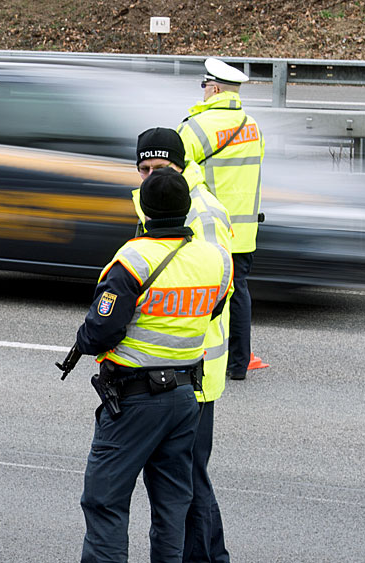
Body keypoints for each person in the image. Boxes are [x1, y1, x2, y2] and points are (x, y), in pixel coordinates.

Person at [75, 167, 233, 562]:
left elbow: (100, 330)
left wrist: (84, 340)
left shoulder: (134, 259)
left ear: (144, 208)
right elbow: (213, 310)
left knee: (105, 501)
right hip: (185, 398)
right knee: (172, 507)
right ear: (185, 209)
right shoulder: (217, 259)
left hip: (134, 399)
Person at [134, 128, 233, 562]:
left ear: (181, 166)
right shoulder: (154, 201)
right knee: (184, 481)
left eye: (160, 168)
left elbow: (216, 286)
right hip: (166, 367)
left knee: (189, 482)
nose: (150, 176)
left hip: (193, 367)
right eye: (144, 168)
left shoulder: (203, 211)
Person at [176, 57, 266, 381]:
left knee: (207, 292)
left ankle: (197, 356)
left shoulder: (197, 127)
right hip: (245, 230)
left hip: (211, 229)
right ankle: (238, 363)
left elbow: (174, 173)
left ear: (213, 89)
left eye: (204, 87)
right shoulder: (252, 126)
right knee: (238, 291)